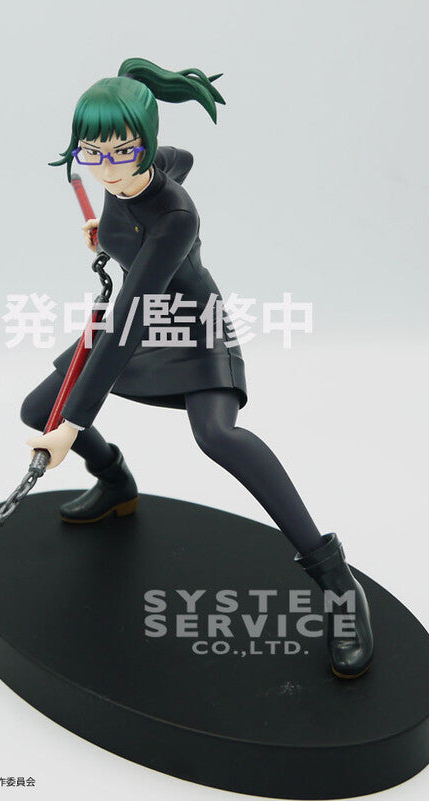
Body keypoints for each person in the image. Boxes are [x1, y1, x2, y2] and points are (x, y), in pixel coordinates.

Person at [20, 57, 373, 678]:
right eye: (91, 152)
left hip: (192, 325)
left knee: (217, 435)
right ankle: (116, 482)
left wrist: (71, 426)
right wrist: (106, 230)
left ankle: (337, 582)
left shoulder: (177, 216)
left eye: (122, 152)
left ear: (143, 144)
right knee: (34, 408)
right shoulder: (132, 167)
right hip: (140, 322)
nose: (107, 167)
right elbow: (181, 157)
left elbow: (128, 322)